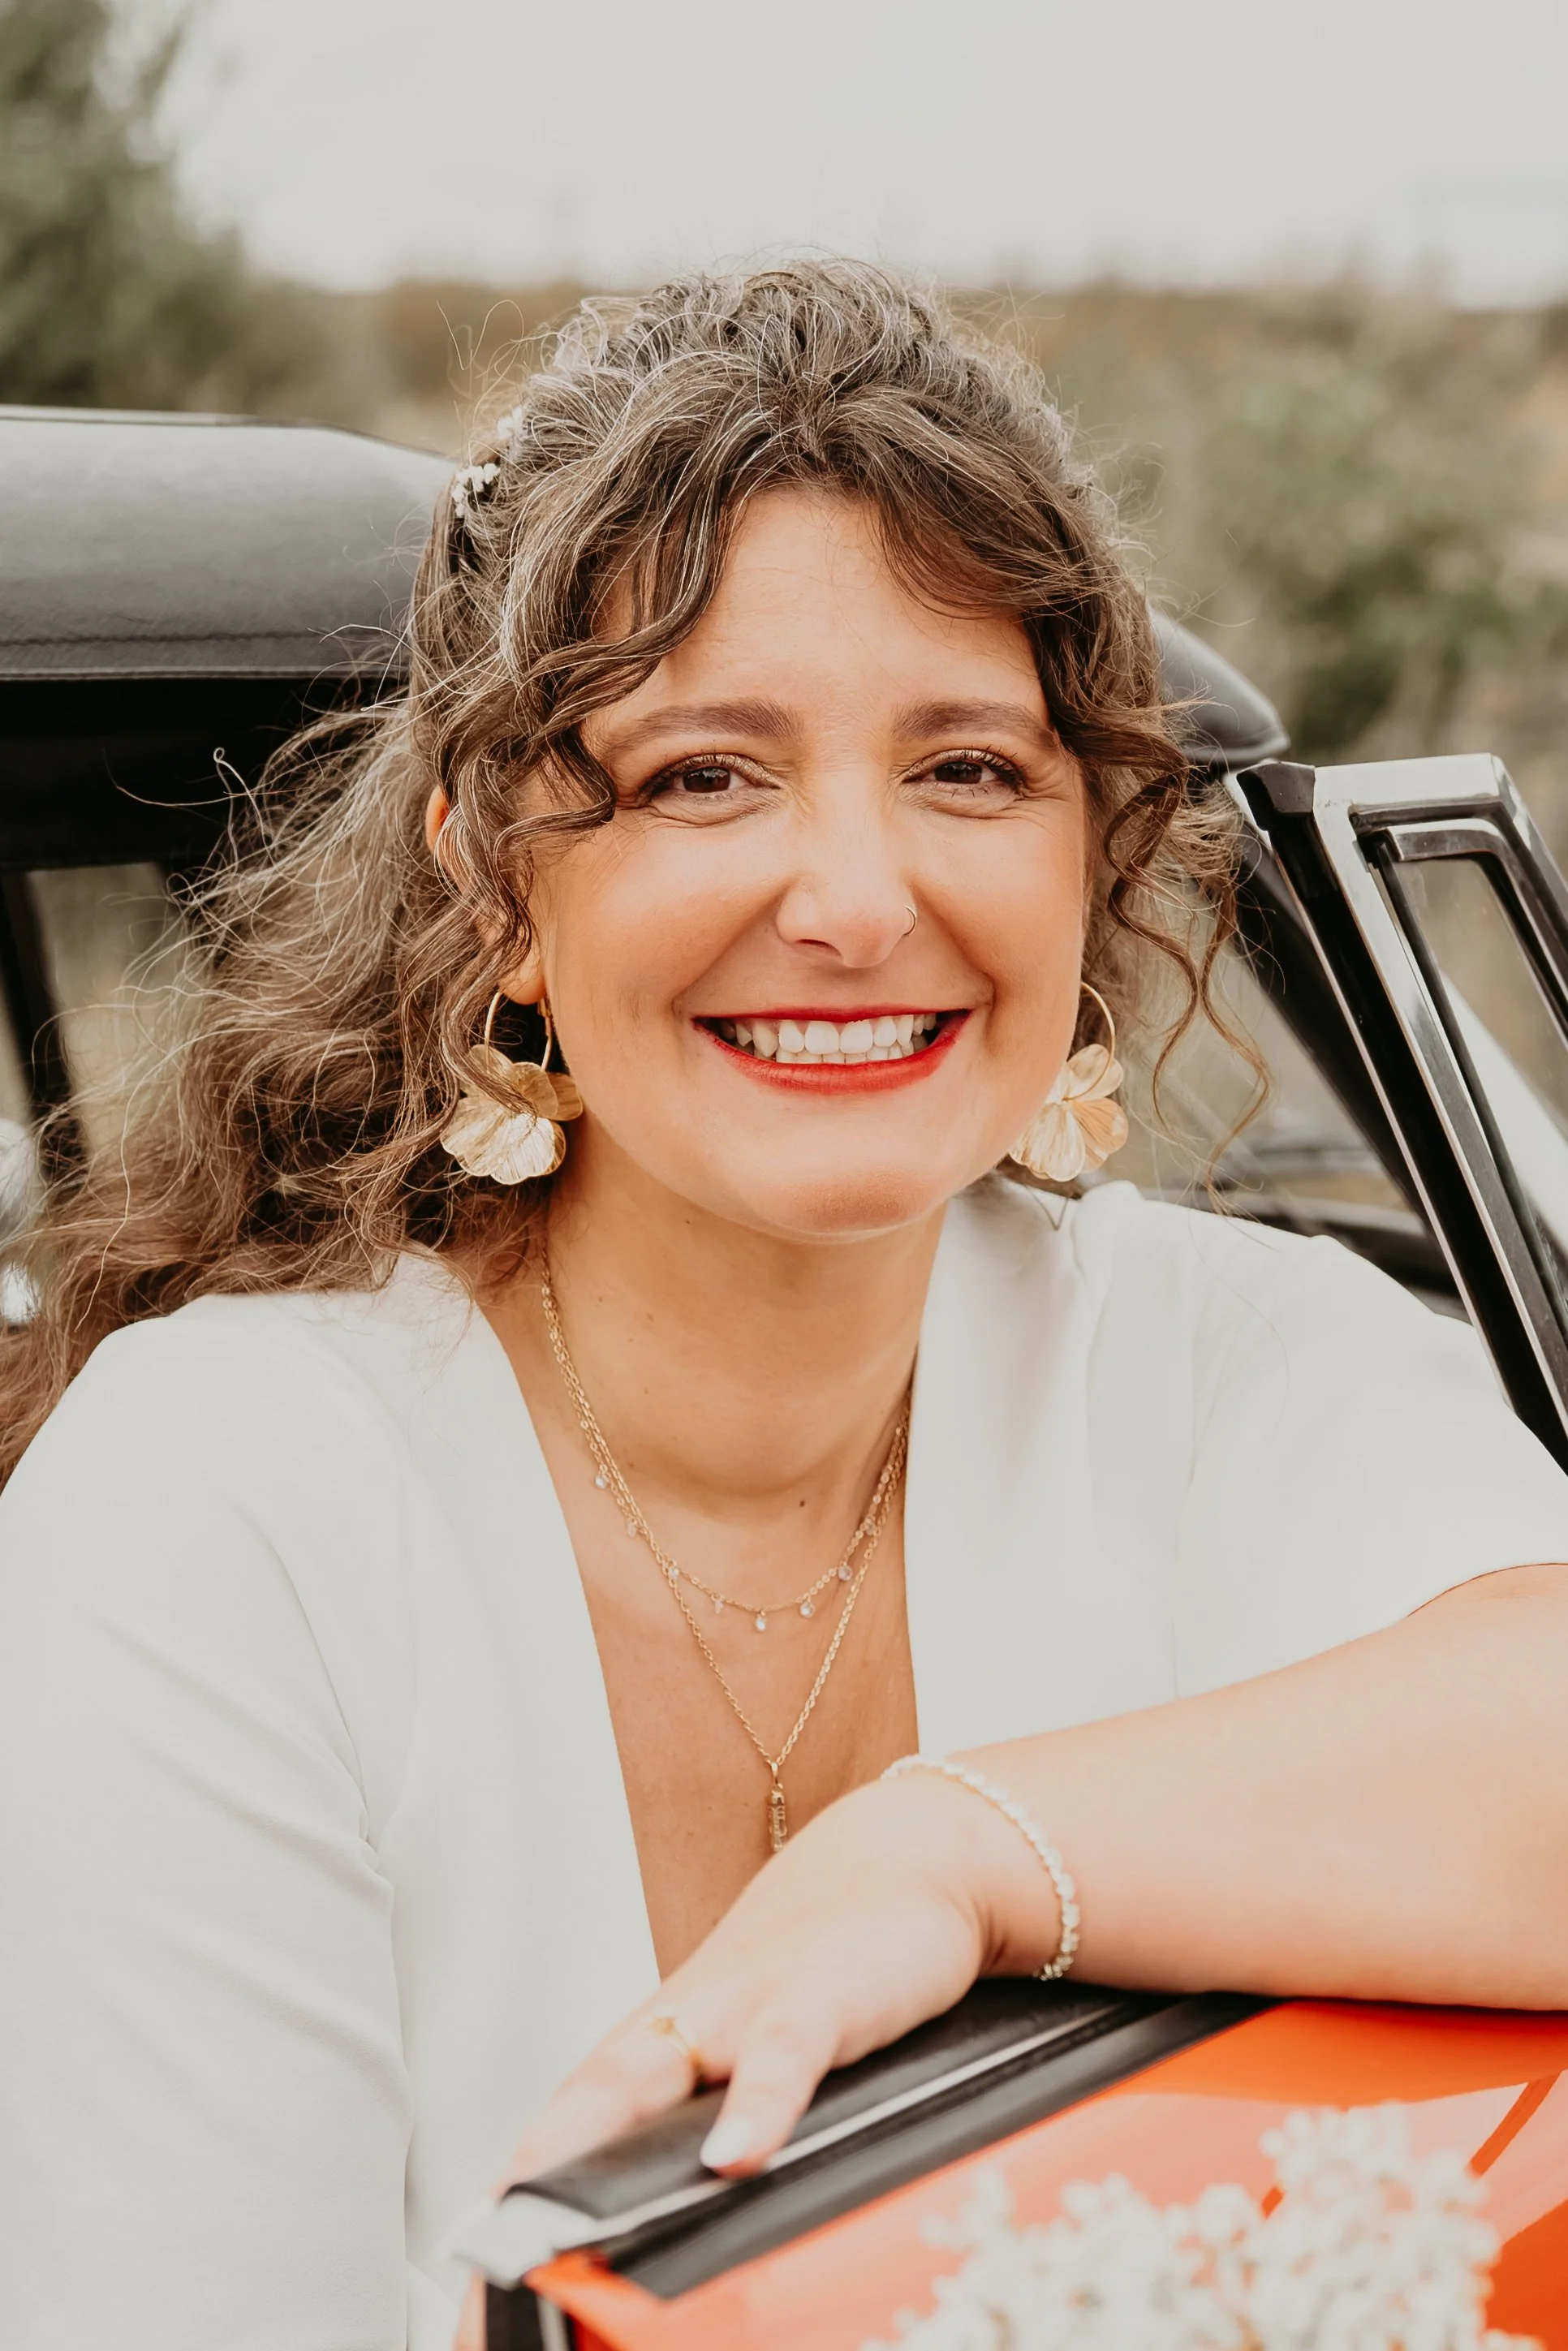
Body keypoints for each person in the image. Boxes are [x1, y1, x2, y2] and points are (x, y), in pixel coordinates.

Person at [2, 262, 1566, 2351]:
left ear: (1095, 847)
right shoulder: (220, 1501)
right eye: (705, 776)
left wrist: (956, 1850)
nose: (850, 896)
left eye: (972, 771)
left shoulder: (1231, 1359)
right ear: (496, 884)